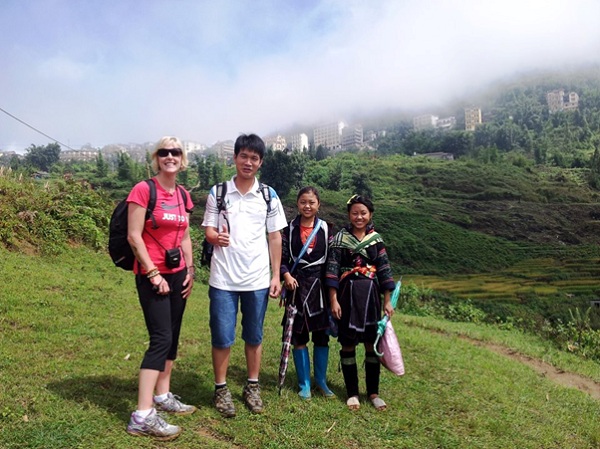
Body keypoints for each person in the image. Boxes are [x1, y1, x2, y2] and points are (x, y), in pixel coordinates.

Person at [202, 133, 287, 417]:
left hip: (257, 279)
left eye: (254, 158)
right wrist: (216, 238)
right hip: (223, 279)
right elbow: (208, 230)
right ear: (235, 158)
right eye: (243, 156)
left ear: (260, 162)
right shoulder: (218, 193)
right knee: (222, 336)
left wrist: (275, 276)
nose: (248, 162)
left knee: (254, 336)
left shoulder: (268, 196)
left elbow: (275, 237)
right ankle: (221, 388)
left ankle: (252, 386)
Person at [125, 137, 196, 441]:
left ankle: (162, 395)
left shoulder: (182, 195)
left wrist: (190, 270)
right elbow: (133, 236)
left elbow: (185, 236)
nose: (170, 156)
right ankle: (142, 416)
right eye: (164, 152)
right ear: (156, 158)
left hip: (178, 274)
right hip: (152, 274)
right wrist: (153, 273)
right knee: (160, 339)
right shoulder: (144, 190)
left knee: (173, 335)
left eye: (175, 152)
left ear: (182, 158)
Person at [325, 194, 395, 411]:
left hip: (371, 298)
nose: (359, 217)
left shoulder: (376, 240)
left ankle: (373, 392)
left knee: (371, 344)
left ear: (370, 214)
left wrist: (387, 301)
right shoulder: (340, 240)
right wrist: (333, 300)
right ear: (349, 215)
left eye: (363, 213)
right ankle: (352, 393)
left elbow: (384, 270)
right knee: (348, 343)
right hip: (347, 296)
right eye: (355, 213)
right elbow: (332, 270)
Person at [280, 186, 335, 400]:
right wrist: (286, 275)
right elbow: (282, 258)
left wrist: (333, 291)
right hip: (297, 288)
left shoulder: (326, 229)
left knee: (321, 337)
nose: (307, 206)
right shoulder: (289, 229)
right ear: (297, 203)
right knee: (299, 336)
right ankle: (304, 384)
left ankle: (321, 381)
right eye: (303, 202)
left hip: (319, 289)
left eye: (311, 202)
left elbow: (332, 261)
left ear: (318, 204)